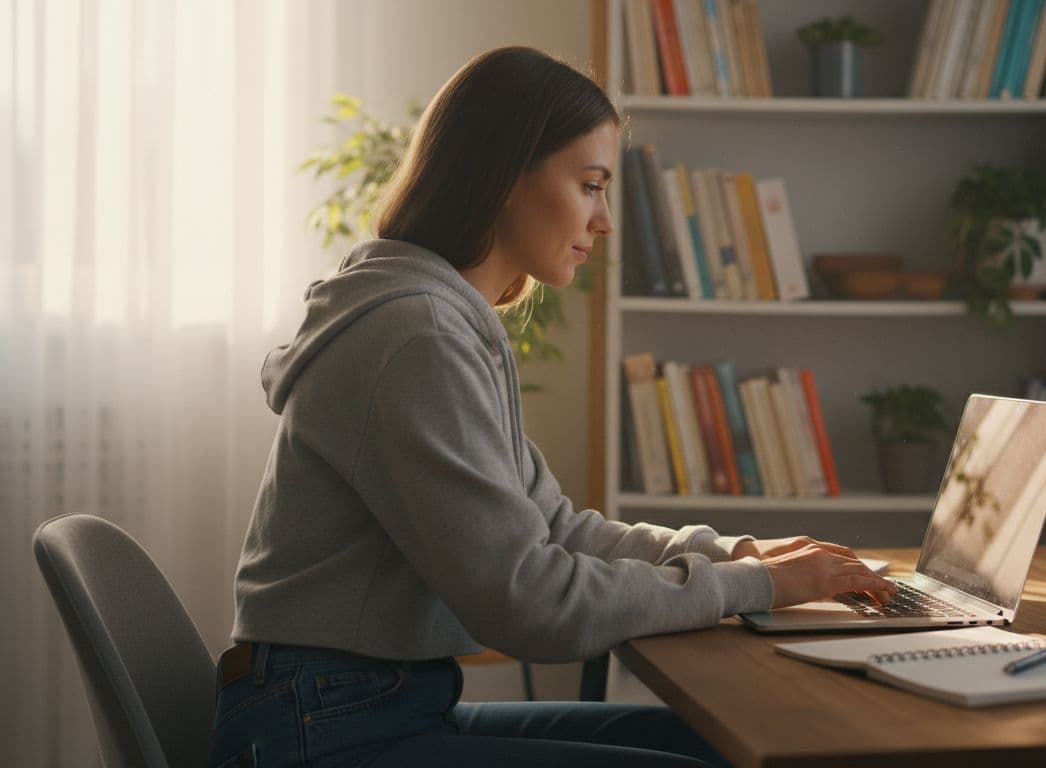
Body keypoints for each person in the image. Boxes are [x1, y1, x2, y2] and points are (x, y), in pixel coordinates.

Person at [207, 46, 895, 768]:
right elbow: (533, 604)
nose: (604, 222)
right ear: (504, 176)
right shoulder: (418, 336)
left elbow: (554, 529)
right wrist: (753, 587)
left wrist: (733, 554)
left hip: (358, 705)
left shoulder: (438, 317)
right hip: (322, 729)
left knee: (720, 747)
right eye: (591, 185)